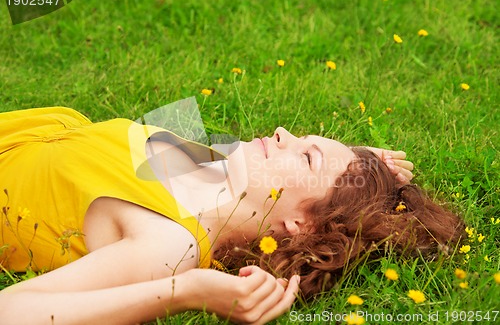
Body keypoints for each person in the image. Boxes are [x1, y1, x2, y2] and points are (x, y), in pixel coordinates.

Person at [0, 106, 463, 324]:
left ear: (303, 226)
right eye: (300, 137)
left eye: (304, 158)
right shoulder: (211, 165)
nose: (281, 132)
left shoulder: (171, 244)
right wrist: (358, 164)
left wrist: (186, 292)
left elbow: (11, 310)